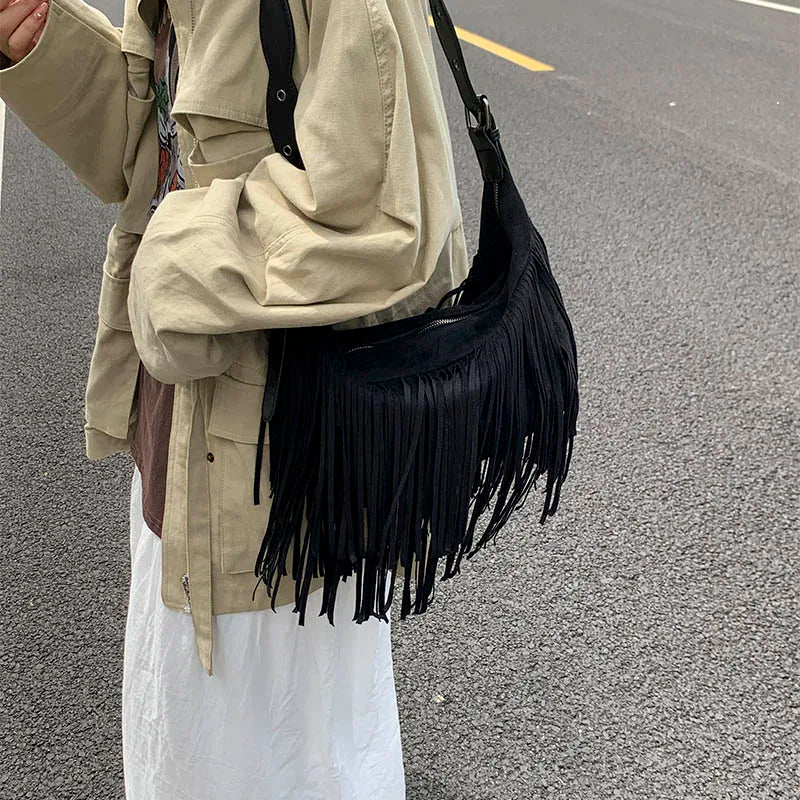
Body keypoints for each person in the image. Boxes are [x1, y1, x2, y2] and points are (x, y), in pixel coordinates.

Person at [0, 0, 469, 796]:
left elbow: (395, 218)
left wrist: (169, 269)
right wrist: (43, 43)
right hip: (182, 435)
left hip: (281, 469)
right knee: (187, 750)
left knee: (286, 761)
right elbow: (161, 156)